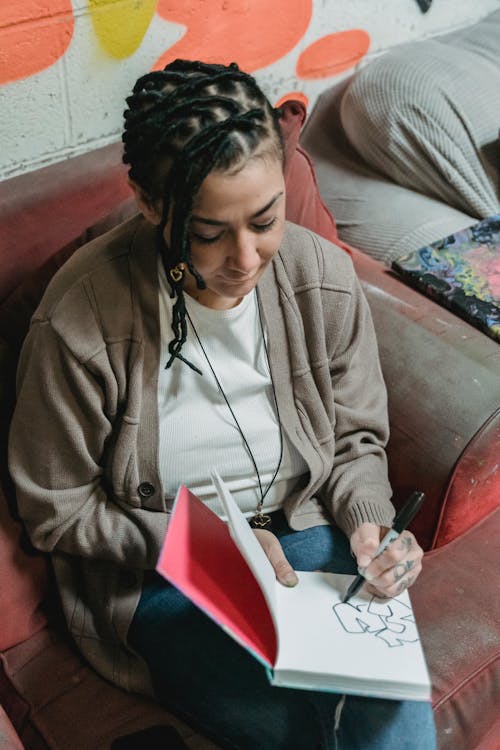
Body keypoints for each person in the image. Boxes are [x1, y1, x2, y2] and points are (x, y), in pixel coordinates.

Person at [8, 59, 436, 749]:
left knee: (393, 725)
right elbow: (56, 507)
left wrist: (366, 526)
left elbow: (357, 439)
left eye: (265, 220)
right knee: (306, 732)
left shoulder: (320, 274)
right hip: (164, 576)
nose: (246, 258)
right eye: (209, 232)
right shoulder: (80, 320)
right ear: (152, 205)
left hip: (309, 534)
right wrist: (207, 542)